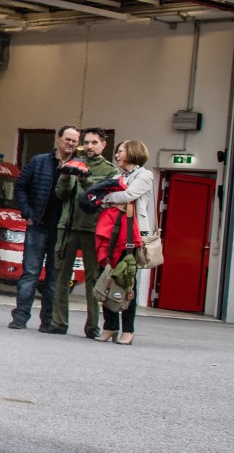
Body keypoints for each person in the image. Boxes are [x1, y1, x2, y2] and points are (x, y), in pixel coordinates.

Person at [47, 128, 117, 338]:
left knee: (92, 278)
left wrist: (85, 180)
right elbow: (60, 194)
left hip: (93, 229)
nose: (89, 147)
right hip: (68, 226)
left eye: (94, 142)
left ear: (103, 145)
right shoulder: (73, 162)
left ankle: (92, 325)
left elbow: (100, 198)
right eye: (86, 142)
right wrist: (67, 176)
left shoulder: (109, 170)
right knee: (61, 276)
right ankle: (58, 322)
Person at [8, 126, 79, 331]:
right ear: (58, 139)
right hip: (37, 226)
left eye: (74, 140)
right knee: (30, 273)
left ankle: (47, 321)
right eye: (67, 139)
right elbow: (20, 186)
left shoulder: (79, 167)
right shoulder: (39, 161)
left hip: (61, 230)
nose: (70, 143)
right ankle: (20, 317)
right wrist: (27, 214)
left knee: (54, 277)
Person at [96, 139, 155, 346]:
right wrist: (110, 198)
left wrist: (108, 199)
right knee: (108, 276)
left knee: (126, 279)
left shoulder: (145, 175)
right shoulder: (117, 176)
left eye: (121, 151)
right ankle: (110, 326)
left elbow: (129, 195)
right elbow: (105, 196)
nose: (117, 155)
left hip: (131, 234)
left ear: (132, 153)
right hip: (112, 232)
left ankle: (128, 329)